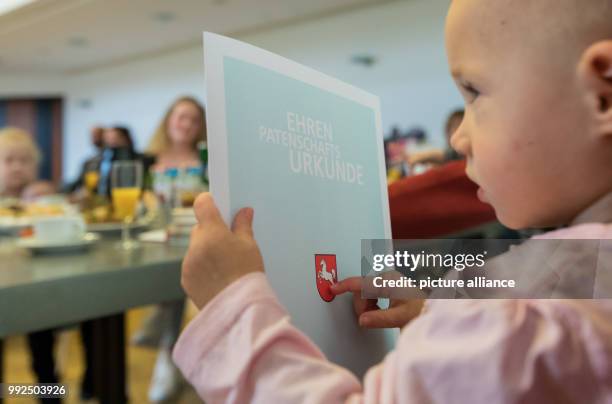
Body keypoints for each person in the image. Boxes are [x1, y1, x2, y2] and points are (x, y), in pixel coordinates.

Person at [170, 0, 612, 402]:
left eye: (474, 92)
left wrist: (233, 309)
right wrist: (435, 312)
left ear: (603, 96)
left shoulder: (516, 326)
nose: (458, 138)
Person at [133, 96, 206, 402]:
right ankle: (169, 359)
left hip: (193, 239)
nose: (186, 124)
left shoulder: (208, 162)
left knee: (186, 282)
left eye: (193, 119)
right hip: (154, 242)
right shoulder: (146, 161)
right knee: (178, 285)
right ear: (168, 120)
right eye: (181, 117)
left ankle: (164, 344)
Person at [65, 126, 105, 193]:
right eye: (92, 135)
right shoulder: (89, 161)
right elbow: (79, 181)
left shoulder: (109, 159)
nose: (93, 138)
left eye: (96, 135)